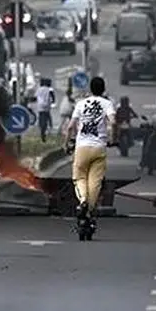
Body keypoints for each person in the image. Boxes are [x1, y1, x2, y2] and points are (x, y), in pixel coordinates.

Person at [65, 76, 116, 223]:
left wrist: (66, 143)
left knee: (79, 178)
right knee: (95, 182)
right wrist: (112, 138)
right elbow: (113, 122)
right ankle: (90, 209)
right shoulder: (107, 104)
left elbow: (70, 127)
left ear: (90, 89)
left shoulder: (81, 104)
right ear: (103, 89)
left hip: (81, 147)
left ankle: (83, 202)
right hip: (99, 148)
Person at [35, 78, 57, 142]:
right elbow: (53, 97)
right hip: (46, 106)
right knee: (47, 118)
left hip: (40, 107)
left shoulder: (39, 89)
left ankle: (42, 129)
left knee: (41, 118)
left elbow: (35, 97)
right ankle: (48, 128)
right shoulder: (49, 89)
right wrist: (53, 102)